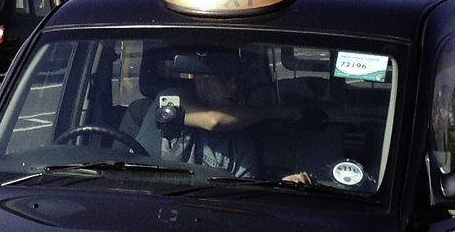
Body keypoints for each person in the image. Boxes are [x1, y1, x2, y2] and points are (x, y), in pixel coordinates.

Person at [127, 49, 323, 181]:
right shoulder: (170, 100)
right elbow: (214, 120)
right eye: (224, 79)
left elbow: (244, 194)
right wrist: (278, 111)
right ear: (200, 81)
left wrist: (281, 186)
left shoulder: (240, 143)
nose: (235, 87)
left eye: (238, 80)